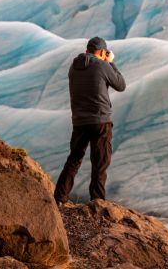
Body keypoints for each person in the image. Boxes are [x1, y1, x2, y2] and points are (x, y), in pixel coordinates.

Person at [54, 36, 126, 205]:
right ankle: (98, 201)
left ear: (87, 50)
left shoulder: (74, 67)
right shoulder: (102, 65)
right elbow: (121, 85)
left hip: (79, 122)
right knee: (100, 163)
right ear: (101, 52)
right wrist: (111, 63)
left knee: (74, 159)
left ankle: (59, 198)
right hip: (100, 120)